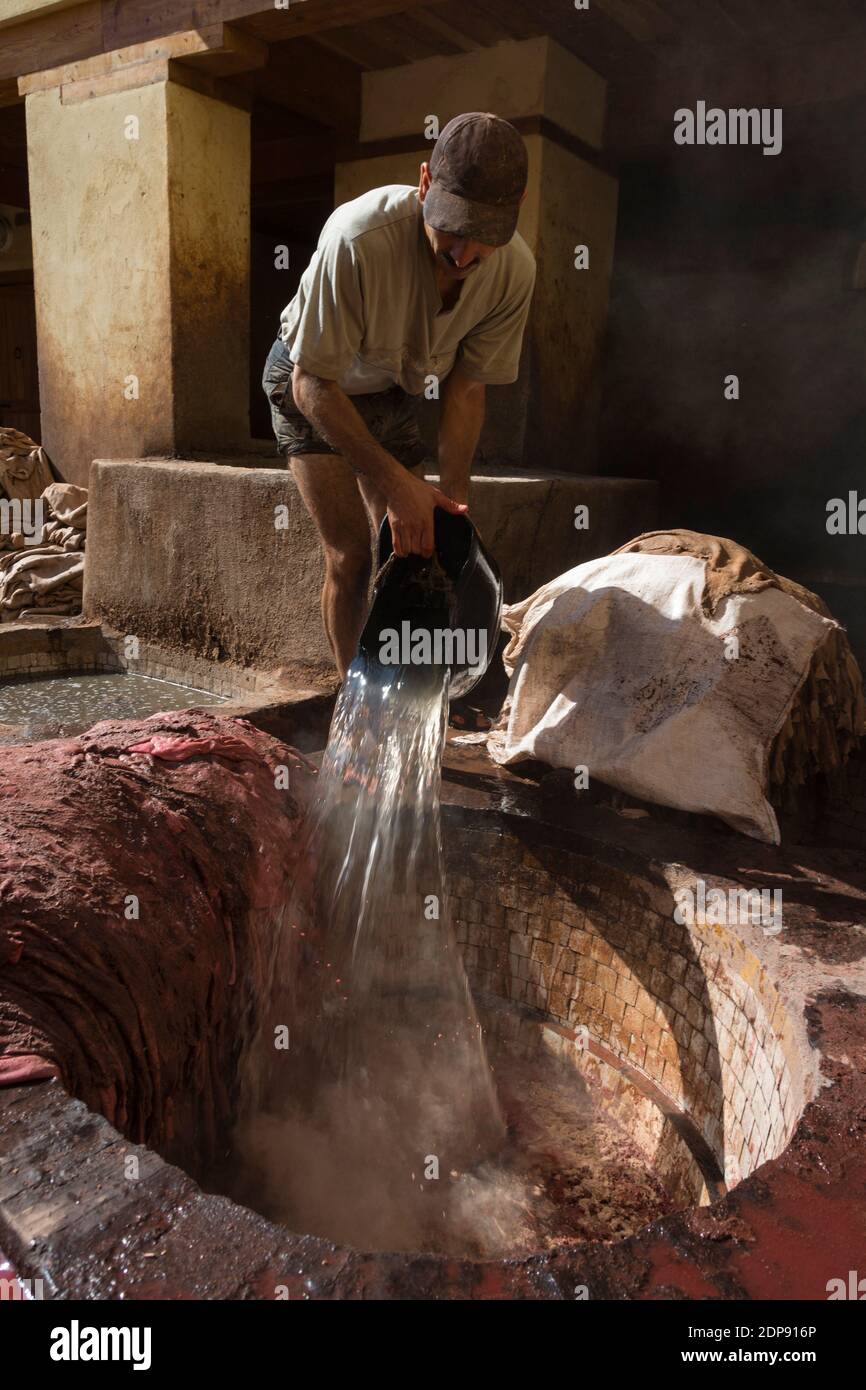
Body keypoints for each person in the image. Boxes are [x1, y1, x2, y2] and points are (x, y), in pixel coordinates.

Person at [262, 111, 536, 678]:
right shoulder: (357, 236)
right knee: (353, 556)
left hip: (385, 388)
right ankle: (354, 704)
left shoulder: (515, 273)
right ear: (425, 184)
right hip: (311, 380)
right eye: (452, 231)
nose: (462, 256)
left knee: (417, 547)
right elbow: (311, 385)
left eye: (481, 238)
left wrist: (453, 507)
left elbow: (466, 389)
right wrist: (396, 483)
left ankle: (409, 690)